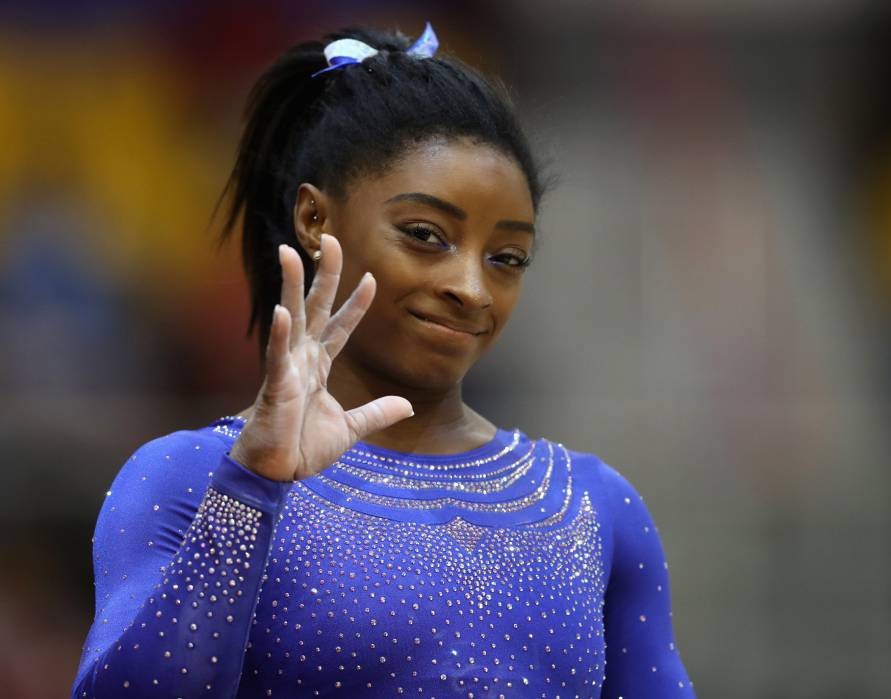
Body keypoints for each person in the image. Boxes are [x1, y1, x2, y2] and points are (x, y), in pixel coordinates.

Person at [70, 23, 695, 699]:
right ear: (315, 218)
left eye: (506, 258)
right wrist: (252, 486)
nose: (472, 287)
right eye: (426, 236)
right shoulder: (189, 476)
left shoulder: (592, 508)